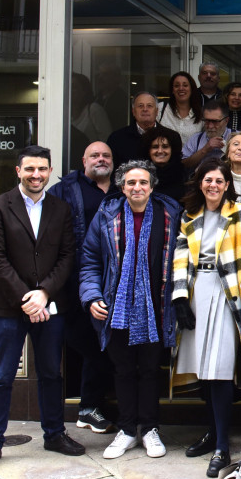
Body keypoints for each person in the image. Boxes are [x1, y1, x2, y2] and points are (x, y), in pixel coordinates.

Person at [0, 146, 83, 474]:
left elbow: (67, 256)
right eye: (29, 169)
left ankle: (54, 434)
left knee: (50, 374)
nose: (36, 175)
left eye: (42, 169)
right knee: (1, 376)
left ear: (49, 170)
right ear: (18, 171)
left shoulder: (61, 208)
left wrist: (43, 293)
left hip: (50, 305)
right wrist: (27, 299)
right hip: (8, 306)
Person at [80, 160, 181, 460]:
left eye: (143, 183)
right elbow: (90, 259)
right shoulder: (107, 214)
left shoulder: (169, 214)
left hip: (156, 308)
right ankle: (126, 430)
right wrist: (92, 296)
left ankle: (149, 429)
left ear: (152, 187)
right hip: (117, 308)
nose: (137, 187)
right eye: (131, 183)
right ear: (121, 187)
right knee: (123, 370)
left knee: (150, 370)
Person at [171, 159, 241, 477]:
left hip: (229, 297)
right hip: (198, 293)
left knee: (221, 370)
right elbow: (180, 256)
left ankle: (223, 445)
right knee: (201, 370)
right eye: (207, 180)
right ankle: (211, 433)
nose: (213, 185)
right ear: (200, 183)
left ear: (227, 185)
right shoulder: (190, 216)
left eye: (219, 181)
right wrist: (180, 297)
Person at [49, 142, 117, 434]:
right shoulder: (66, 188)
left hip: (115, 282)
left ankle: (92, 406)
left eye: (106, 156)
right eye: (95, 156)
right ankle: (88, 407)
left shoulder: (123, 187)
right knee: (91, 345)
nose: (101, 160)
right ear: (83, 160)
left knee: (109, 345)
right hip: (77, 281)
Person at [107, 91, 161, 167]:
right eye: (140, 106)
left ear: (157, 111)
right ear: (133, 111)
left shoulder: (171, 137)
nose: (145, 109)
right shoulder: (116, 138)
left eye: (149, 106)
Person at [71, 72, 112, 169]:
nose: (71, 91)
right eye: (68, 87)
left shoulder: (94, 110)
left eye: (74, 87)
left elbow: (107, 139)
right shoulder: (63, 115)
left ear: (84, 91)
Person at [139, 126, 186, 202]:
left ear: (172, 150)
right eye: (155, 147)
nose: (160, 151)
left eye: (165, 147)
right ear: (148, 150)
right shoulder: (139, 175)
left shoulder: (183, 175)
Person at [181, 100, 232, 170]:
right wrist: (204, 150)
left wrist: (228, 149)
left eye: (215, 121)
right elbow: (183, 164)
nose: (210, 126)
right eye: (207, 121)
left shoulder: (238, 137)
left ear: (226, 121)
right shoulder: (196, 139)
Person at [157, 71, 204, 144]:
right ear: (172, 90)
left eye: (185, 85)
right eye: (176, 86)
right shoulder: (161, 108)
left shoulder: (201, 114)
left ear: (191, 89)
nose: (181, 88)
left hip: (193, 155)